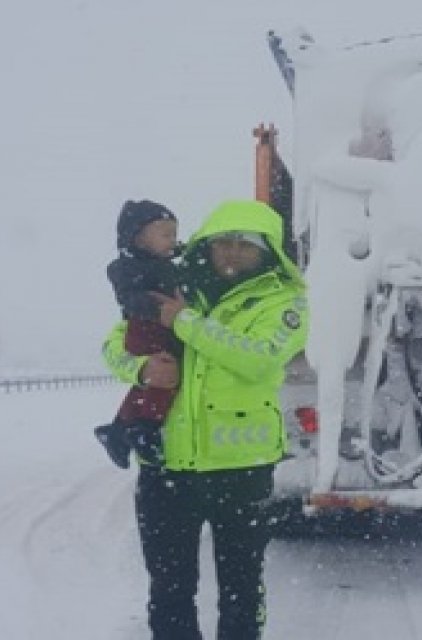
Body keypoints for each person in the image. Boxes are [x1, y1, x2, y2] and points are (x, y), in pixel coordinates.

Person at [102, 199, 308, 640]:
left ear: (267, 251)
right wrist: (141, 370)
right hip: (165, 469)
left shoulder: (285, 304)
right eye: (222, 243)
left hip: (242, 471)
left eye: (245, 244)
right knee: (170, 591)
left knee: (241, 591)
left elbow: (257, 359)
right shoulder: (173, 287)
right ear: (205, 248)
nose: (231, 252)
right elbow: (114, 345)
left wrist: (186, 323)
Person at [94, 200, 185, 469]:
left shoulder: (160, 262)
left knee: (147, 386)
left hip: (162, 326)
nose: (172, 240)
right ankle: (146, 429)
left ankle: (118, 430)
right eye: (165, 234)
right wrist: (158, 307)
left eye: (174, 234)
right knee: (164, 378)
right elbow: (129, 298)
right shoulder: (126, 268)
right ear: (140, 238)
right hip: (146, 328)